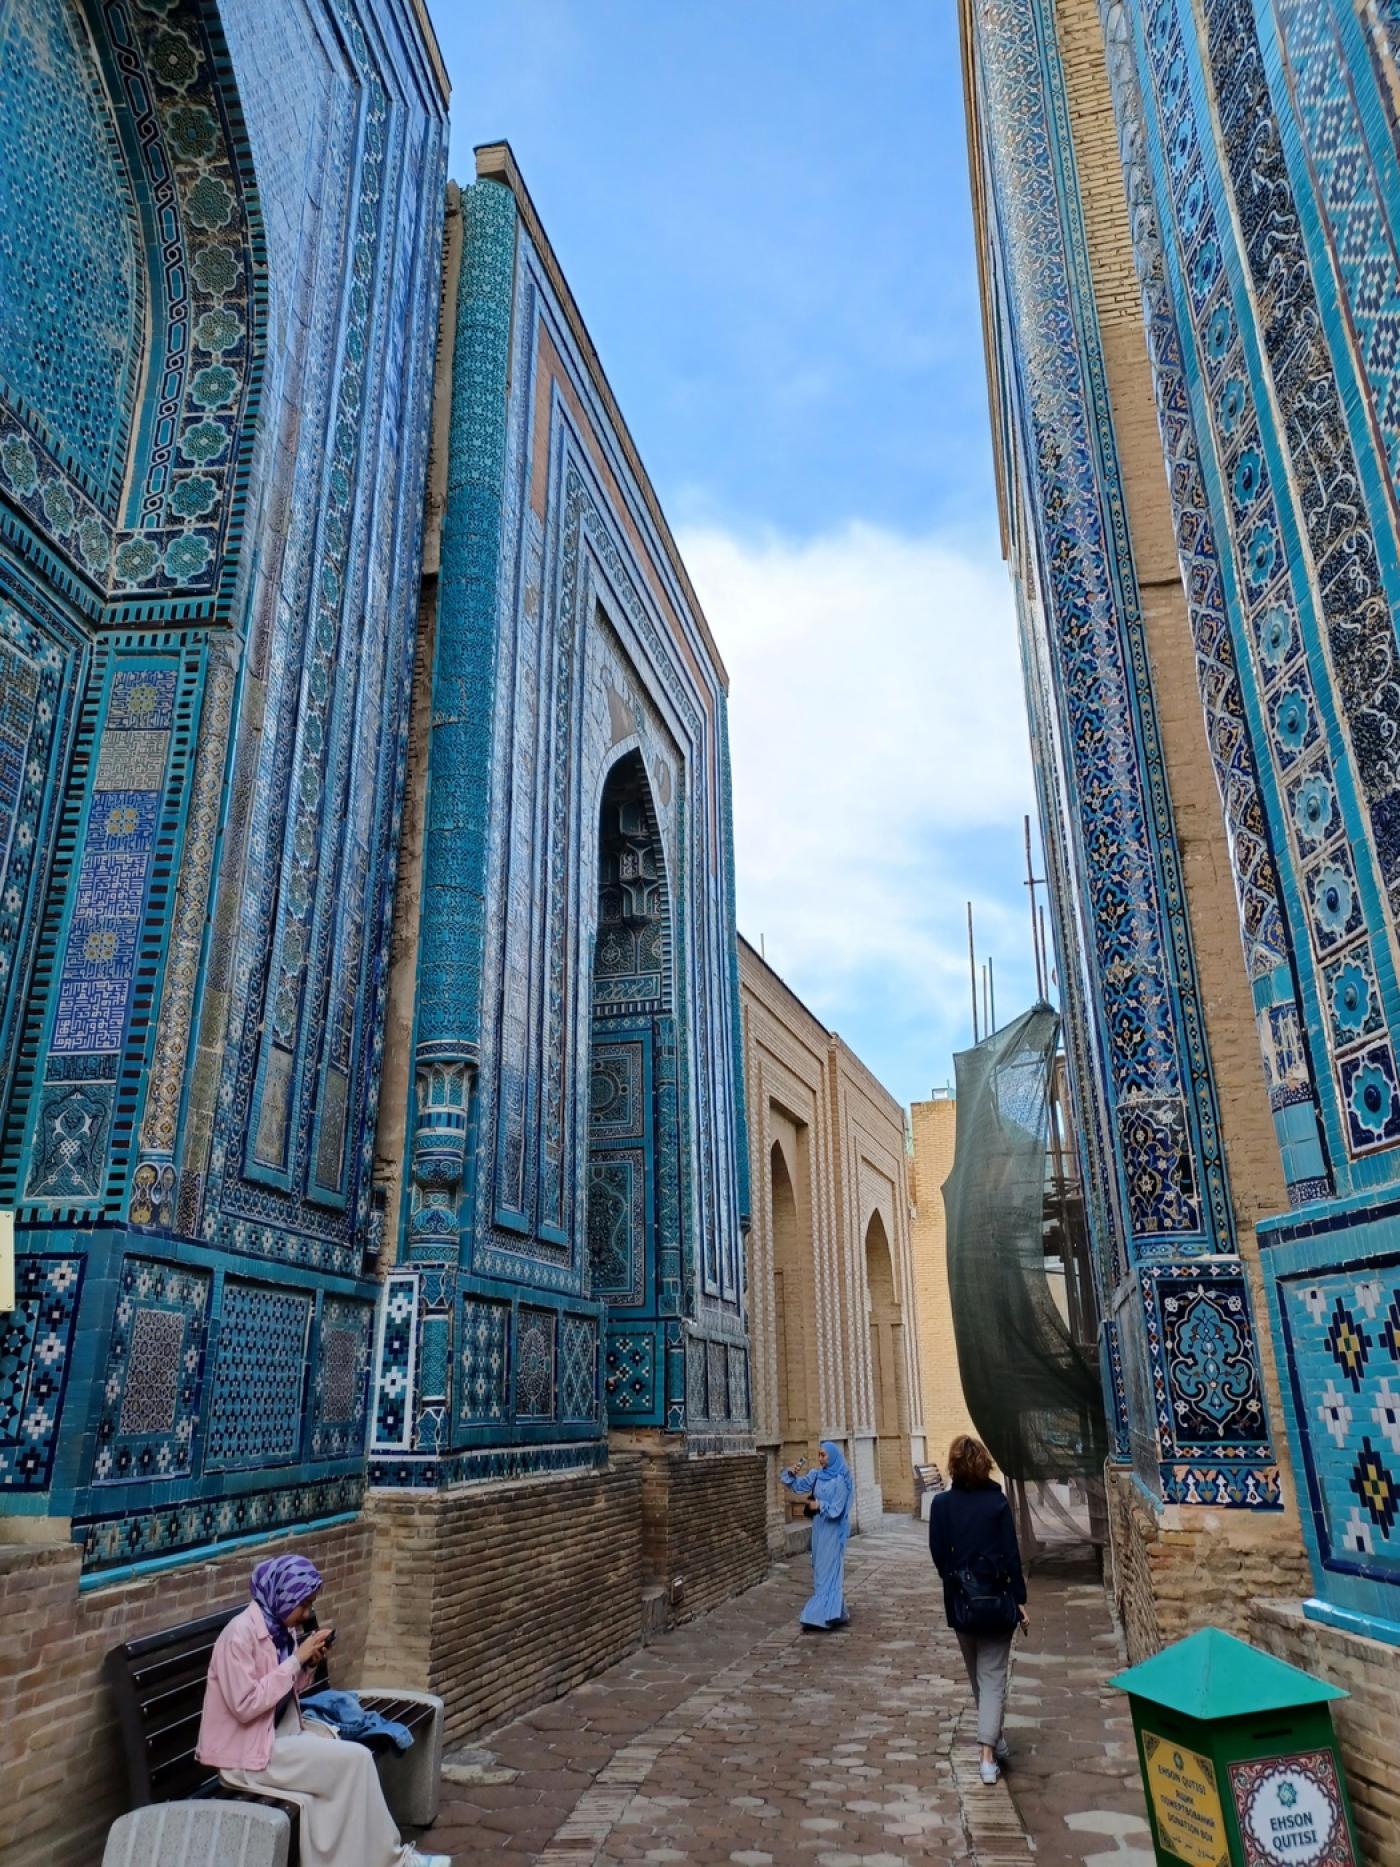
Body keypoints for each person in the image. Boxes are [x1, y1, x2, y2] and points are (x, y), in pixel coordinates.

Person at [197, 1553, 451, 1867]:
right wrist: (294, 1660)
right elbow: (246, 1706)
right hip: (248, 1756)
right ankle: (399, 1862)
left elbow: (283, 1692)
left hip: (281, 1737)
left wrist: (307, 1665)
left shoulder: (279, 1627)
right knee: (356, 1759)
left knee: (338, 1779)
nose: (307, 1614)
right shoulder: (238, 1635)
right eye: (303, 1605)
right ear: (281, 1595)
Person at [928, 1435, 1029, 1785]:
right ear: (983, 1464)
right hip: (998, 1603)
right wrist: (1018, 1600)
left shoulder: (941, 1506)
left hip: (962, 1604)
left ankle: (990, 1745)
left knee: (980, 1678)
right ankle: (989, 1753)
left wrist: (960, 1582)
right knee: (991, 1678)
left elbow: (939, 1556)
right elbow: (1011, 1556)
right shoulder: (996, 1503)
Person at [779, 1439, 853, 1631]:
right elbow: (797, 1487)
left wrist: (819, 1505)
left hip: (832, 1531)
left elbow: (837, 1510)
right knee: (819, 1569)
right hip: (819, 1529)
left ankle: (819, 1615)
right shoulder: (817, 1475)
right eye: (819, 1455)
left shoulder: (840, 1481)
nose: (820, 1458)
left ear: (832, 1456)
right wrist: (791, 1474)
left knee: (828, 1570)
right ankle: (833, 1611)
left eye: (824, 1455)